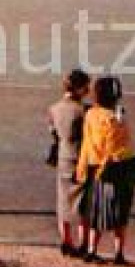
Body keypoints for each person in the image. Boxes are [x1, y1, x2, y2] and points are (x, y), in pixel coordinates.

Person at [77, 76, 135, 265]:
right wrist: (121, 123)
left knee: (96, 211)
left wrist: (82, 168)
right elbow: (120, 148)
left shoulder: (90, 115)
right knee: (120, 212)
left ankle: (91, 249)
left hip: (94, 167)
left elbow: (87, 143)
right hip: (114, 169)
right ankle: (118, 253)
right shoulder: (113, 120)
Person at [47, 69, 90, 257]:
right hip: (81, 158)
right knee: (83, 203)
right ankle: (84, 243)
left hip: (63, 157)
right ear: (80, 88)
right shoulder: (83, 111)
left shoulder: (53, 109)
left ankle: (66, 240)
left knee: (63, 200)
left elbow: (54, 134)